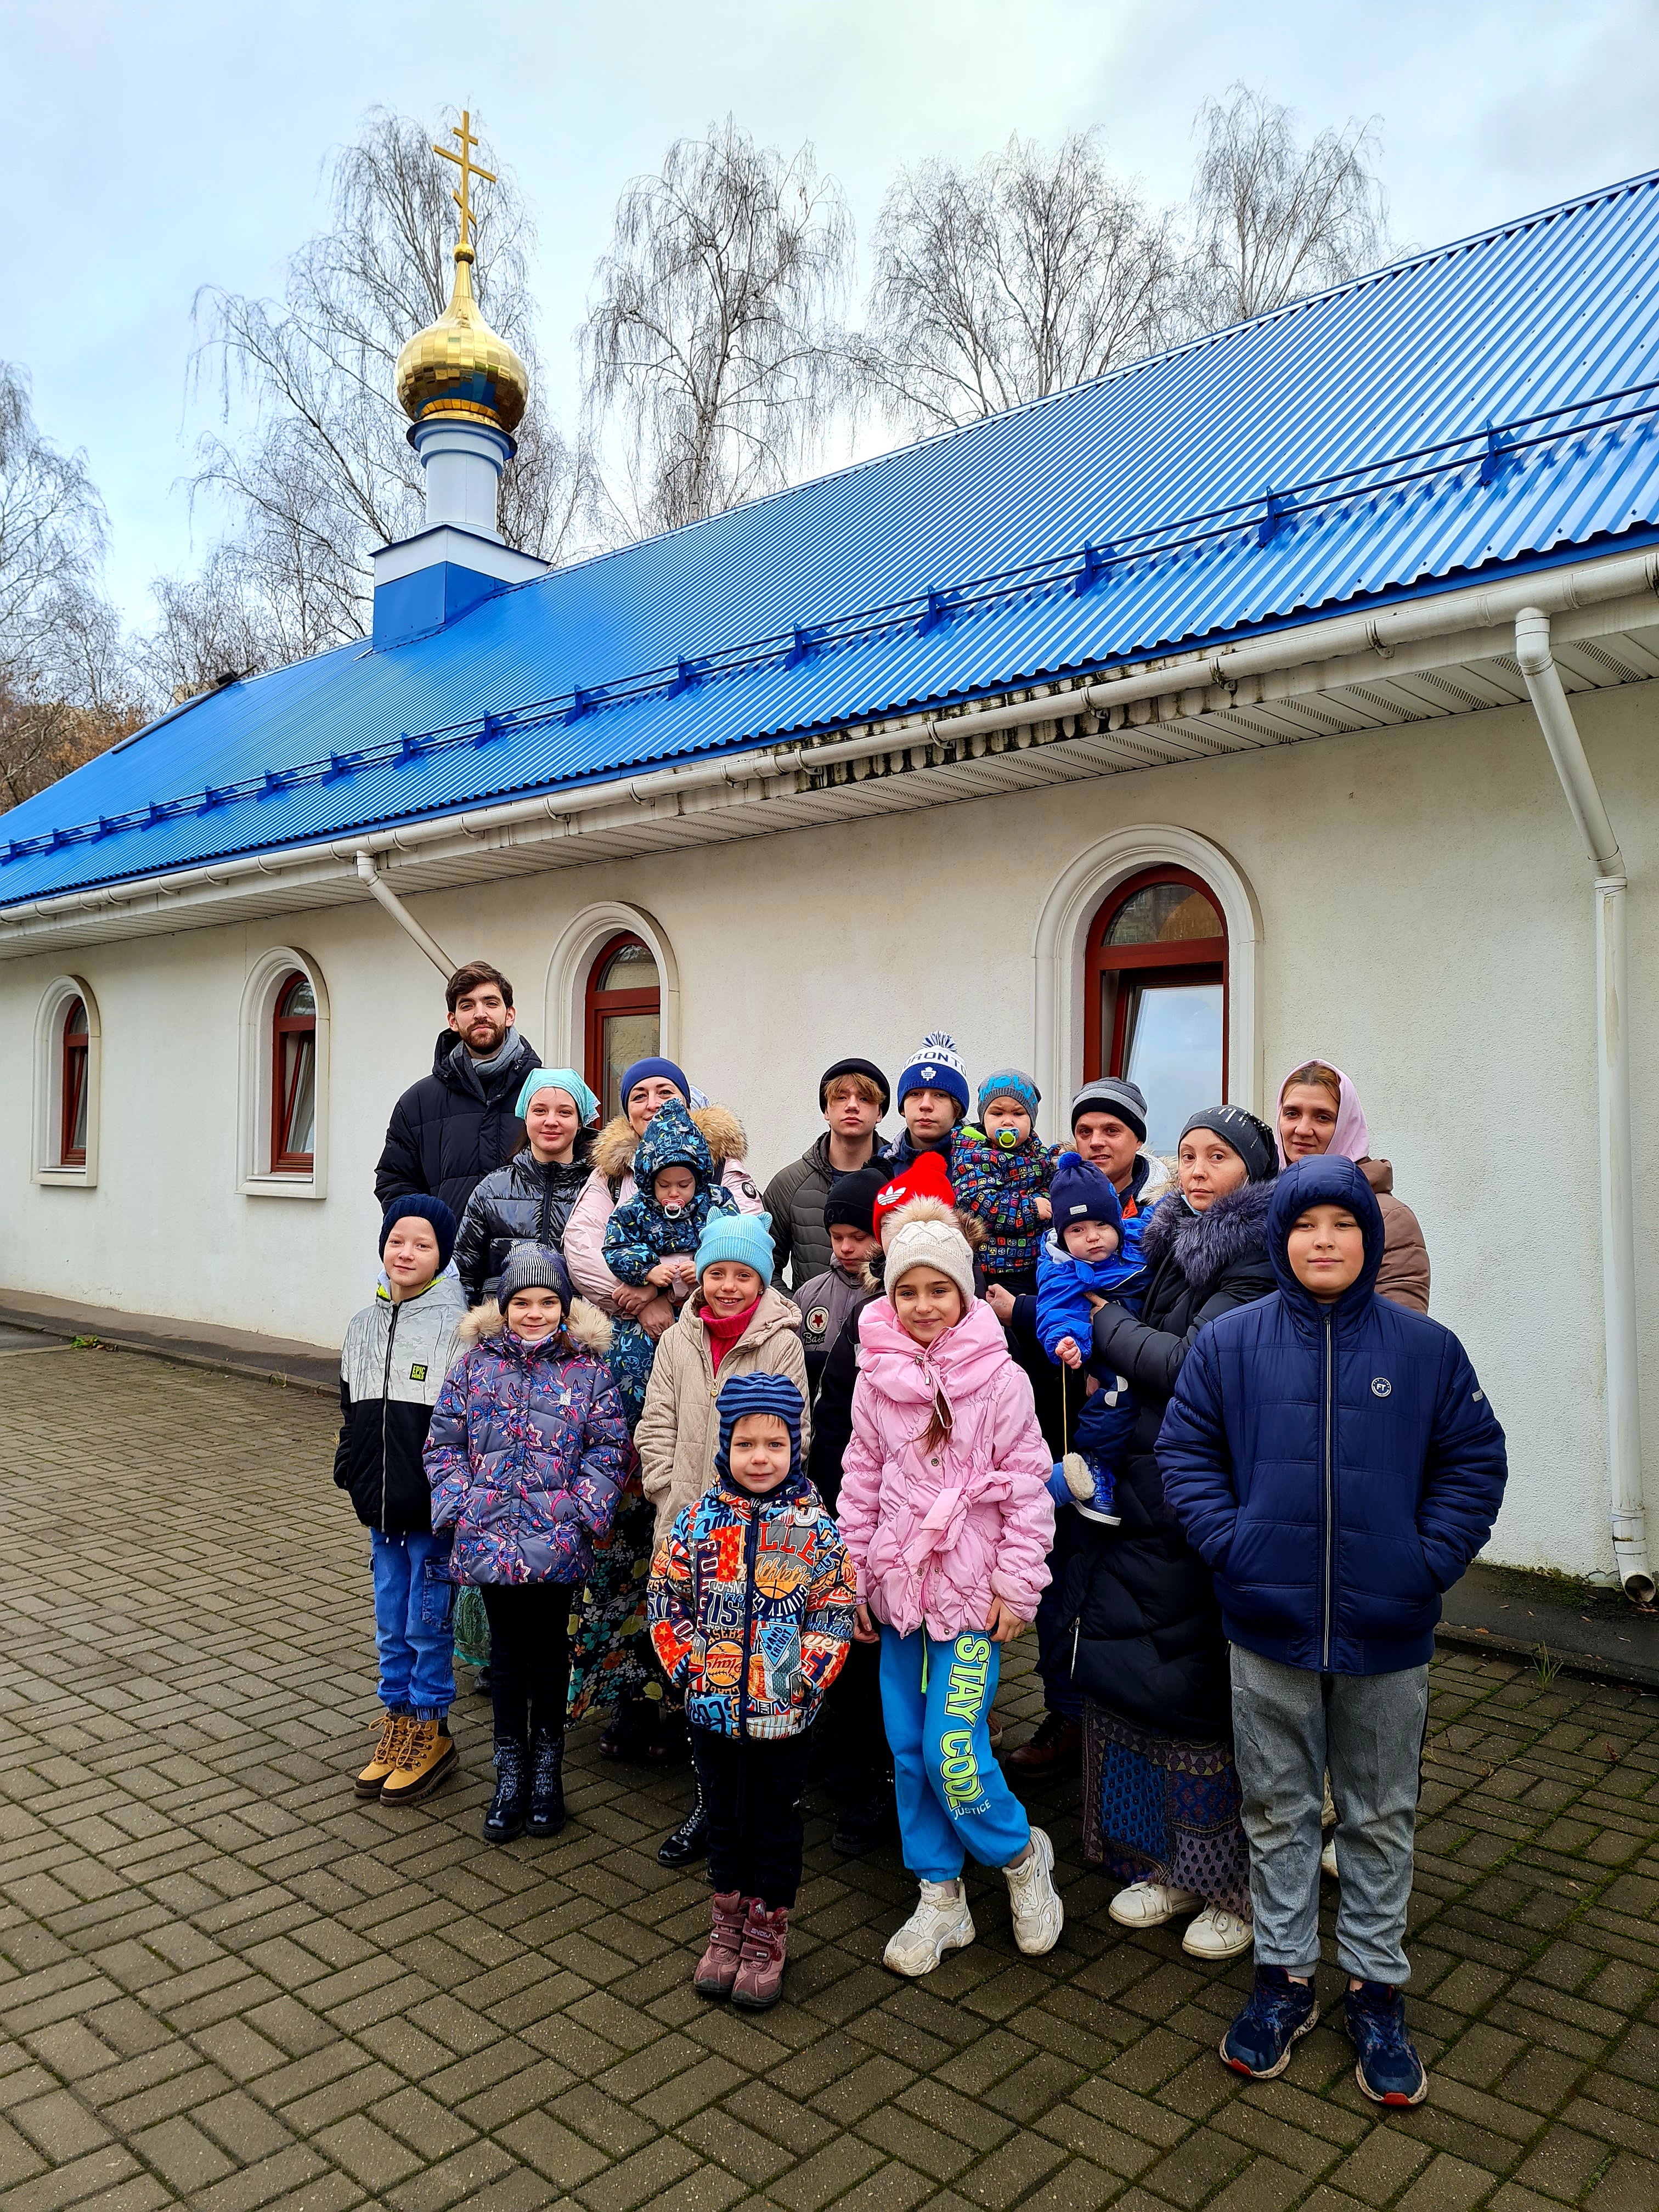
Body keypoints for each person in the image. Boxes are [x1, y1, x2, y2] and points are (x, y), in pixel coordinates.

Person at [1159, 1155, 1506, 2103]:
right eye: (1305, 1224)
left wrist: (1422, 1564)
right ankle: (1281, 1979)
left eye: (1342, 1224)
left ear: (1369, 1237)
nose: (1323, 1240)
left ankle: (1374, 1987)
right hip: (1264, 1625)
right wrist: (1235, 1548)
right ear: (1280, 1237)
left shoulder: (1424, 1351)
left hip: (1386, 1634)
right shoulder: (1230, 1344)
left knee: (1378, 1813)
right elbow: (1184, 1452)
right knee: (1275, 1809)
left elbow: (1473, 1460)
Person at [1035, 1105, 1281, 1960]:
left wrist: (1104, 1321)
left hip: (1202, 1488)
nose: (1199, 1169)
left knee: (1200, 1690)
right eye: (1189, 1155)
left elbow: (1190, 1365)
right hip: (1141, 1482)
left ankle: (1232, 1887)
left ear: (1254, 1171)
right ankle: (1169, 1865)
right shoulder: (1166, 1240)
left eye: (1219, 1156)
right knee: (1141, 1677)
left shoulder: (1260, 1255)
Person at [837, 1200, 1065, 1977]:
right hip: (900, 1597)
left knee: (952, 1751)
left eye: (939, 1290)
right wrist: (855, 1578)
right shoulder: (876, 1379)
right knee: (908, 1753)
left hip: (970, 1599)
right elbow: (861, 1482)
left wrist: (1017, 1585)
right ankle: (940, 1895)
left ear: (965, 1293)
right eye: (908, 1291)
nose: (923, 1305)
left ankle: (1021, 1854)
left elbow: (1029, 1490)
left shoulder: (1001, 1379)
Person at [561, 1058, 763, 1759]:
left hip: (702, 1368)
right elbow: (584, 1250)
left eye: (664, 1090)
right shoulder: (609, 1173)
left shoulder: (724, 1166)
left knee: (697, 1540)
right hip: (630, 1377)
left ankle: (694, 1697)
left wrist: (679, 1295)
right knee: (626, 1541)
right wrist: (641, 1295)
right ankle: (629, 1700)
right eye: (638, 1093)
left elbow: (745, 1248)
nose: (651, 1101)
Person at [649, 1374, 855, 2010]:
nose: (759, 1458)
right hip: (711, 1710)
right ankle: (728, 1921)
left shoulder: (814, 1528)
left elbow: (834, 1609)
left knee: (773, 1823)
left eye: (774, 1444)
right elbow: (666, 1597)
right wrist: (689, 1667)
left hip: (782, 1717)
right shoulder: (698, 1522)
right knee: (725, 1818)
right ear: (725, 1447)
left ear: (795, 1446)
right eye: (745, 1444)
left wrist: (803, 1680)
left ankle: (767, 1930)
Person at [425, 1244, 630, 1844]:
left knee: (548, 1654)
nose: (534, 1313)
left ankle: (547, 1772)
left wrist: (581, 1509)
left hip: (556, 1541)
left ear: (564, 1308)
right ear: (504, 1307)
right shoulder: (473, 1367)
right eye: (521, 1302)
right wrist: (462, 1502)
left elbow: (609, 1448)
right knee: (507, 1657)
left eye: (547, 1302)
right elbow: (443, 1443)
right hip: (490, 1537)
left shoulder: (588, 1373)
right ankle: (509, 1772)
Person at [335, 1198, 466, 1807]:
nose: (406, 1253)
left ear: (442, 1256)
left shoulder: (457, 1330)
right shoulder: (362, 1325)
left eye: (422, 1244)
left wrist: (452, 1492)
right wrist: (351, 1467)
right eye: (397, 1241)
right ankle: (398, 1719)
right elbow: (349, 1408)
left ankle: (432, 1730)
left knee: (426, 1623)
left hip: (432, 1514)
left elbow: (468, 1426)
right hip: (380, 1509)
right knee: (391, 1623)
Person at [601, 1099, 741, 1424]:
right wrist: (648, 1270)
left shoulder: (716, 1202)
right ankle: (633, 1430)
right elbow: (616, 1245)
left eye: (684, 1185)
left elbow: (731, 1241)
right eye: (664, 1185)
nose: (674, 1194)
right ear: (649, 1181)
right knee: (631, 1367)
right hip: (642, 1321)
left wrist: (705, 1266)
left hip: (704, 1311)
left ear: (699, 1179)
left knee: (696, 1382)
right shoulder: (635, 1210)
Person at [375, 961, 541, 1220]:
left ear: (510, 1015)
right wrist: (429, 1234)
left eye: (491, 1003)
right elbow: (395, 1181)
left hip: (529, 1247)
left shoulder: (545, 1093)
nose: (480, 1014)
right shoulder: (417, 1103)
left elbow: (575, 1177)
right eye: (467, 1006)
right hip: (450, 1246)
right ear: (453, 1021)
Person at [1034, 1152, 1148, 1522]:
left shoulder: (1137, 1240)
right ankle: (1094, 1462)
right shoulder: (1066, 1271)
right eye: (1077, 1231)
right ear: (1063, 1237)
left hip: (1145, 1339)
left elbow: (1159, 1216)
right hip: (1102, 1351)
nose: (1093, 1237)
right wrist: (1067, 1342)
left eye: (1101, 1224)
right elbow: (1057, 1311)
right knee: (1118, 1393)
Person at [1276, 1060, 1430, 1312]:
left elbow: (1400, 1326)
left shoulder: (1389, 1218)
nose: (1302, 1129)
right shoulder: (1267, 1205)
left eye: (1323, 1117)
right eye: (1292, 1114)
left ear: (1348, 1126)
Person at [453, 1070, 599, 1307]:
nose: (551, 1121)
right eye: (540, 1111)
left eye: (565, 1112)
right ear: (525, 1116)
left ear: (580, 1122)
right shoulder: (491, 1190)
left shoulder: (600, 1189)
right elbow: (463, 1277)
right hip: (501, 1326)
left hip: (582, 1325)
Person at [763, 1059, 890, 1290]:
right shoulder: (789, 1184)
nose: (852, 1106)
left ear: (880, 1112)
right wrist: (796, 1308)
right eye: (841, 1097)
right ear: (826, 1111)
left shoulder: (901, 1180)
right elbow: (764, 1266)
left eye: (864, 1098)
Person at [952, 1071, 1060, 1293]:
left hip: (1038, 1262)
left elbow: (1052, 1187)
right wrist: (1031, 1208)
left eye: (1018, 1113)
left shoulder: (1039, 1154)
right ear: (984, 1118)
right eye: (997, 1113)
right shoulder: (974, 1154)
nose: (1008, 1121)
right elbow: (978, 1203)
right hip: (997, 1268)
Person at [789, 1163, 886, 1401]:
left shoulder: (893, 1295)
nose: (845, 1248)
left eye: (859, 1237)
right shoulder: (808, 1294)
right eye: (836, 1237)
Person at [886, 1032, 977, 1181]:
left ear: (958, 1109)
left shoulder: (983, 1162)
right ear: (902, 1107)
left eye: (940, 1095)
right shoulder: (885, 1163)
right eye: (915, 1094)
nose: (926, 1105)